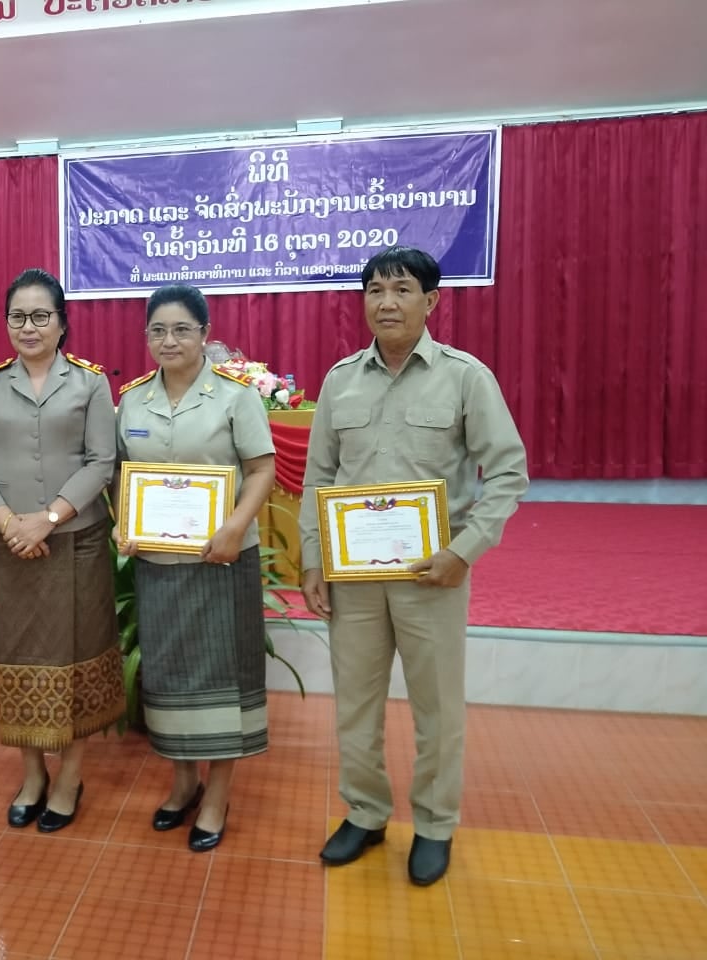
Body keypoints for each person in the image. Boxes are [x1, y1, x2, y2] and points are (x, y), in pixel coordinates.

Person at [299, 246, 528, 885]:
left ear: (431, 301)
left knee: (437, 709)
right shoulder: (341, 380)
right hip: (354, 578)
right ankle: (366, 813)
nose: (387, 302)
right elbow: (319, 477)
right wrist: (313, 558)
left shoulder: (465, 377)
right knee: (355, 704)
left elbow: (508, 472)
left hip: (433, 575)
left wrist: (464, 550)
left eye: (402, 290)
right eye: (375, 290)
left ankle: (434, 824)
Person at [0, 267, 125, 833]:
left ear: (62, 322)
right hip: (10, 545)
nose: (28, 327)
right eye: (17, 317)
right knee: (19, 655)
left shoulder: (89, 383)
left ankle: (70, 777)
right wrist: (10, 524)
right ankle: (32, 774)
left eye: (40, 316)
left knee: (78, 655)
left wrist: (48, 519)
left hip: (76, 542)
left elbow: (102, 461)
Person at [114, 283, 276, 853]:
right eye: (158, 330)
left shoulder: (235, 396)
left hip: (223, 560)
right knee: (168, 673)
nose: (169, 340)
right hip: (159, 562)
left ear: (205, 334)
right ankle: (184, 783)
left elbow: (261, 470)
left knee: (223, 675)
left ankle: (218, 794)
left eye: (182, 329)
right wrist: (123, 523)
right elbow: (122, 474)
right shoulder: (133, 401)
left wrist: (234, 527)